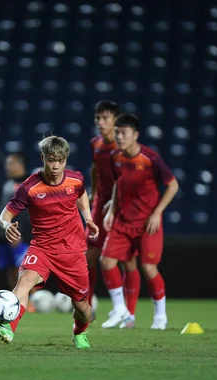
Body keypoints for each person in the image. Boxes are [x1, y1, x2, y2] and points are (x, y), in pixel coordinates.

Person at [0, 135, 99, 349]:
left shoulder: (76, 180)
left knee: (83, 309)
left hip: (72, 252)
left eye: (60, 161)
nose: (56, 166)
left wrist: (89, 218)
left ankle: (79, 331)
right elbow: (4, 215)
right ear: (43, 158)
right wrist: (8, 226)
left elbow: (82, 195)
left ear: (66, 160)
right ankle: (8, 328)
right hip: (42, 248)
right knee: (24, 283)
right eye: (51, 160)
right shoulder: (29, 187)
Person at [100, 113, 179, 330]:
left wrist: (157, 213)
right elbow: (119, 183)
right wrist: (111, 211)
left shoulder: (150, 158)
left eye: (124, 133)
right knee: (106, 261)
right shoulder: (115, 156)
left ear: (135, 135)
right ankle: (120, 310)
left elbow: (173, 185)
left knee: (148, 267)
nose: (119, 137)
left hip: (147, 223)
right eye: (117, 133)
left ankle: (160, 317)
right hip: (123, 221)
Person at [87, 100, 139, 328]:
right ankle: (86, 309)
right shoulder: (95, 143)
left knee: (128, 262)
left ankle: (129, 314)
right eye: (98, 118)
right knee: (88, 256)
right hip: (100, 206)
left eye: (105, 118)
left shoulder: (124, 148)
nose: (100, 123)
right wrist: (94, 193)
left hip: (122, 208)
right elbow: (95, 169)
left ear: (116, 120)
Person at [0, 152, 36, 312]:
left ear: (20, 165)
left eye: (10, 164)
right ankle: (16, 300)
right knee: (10, 269)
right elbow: (1, 211)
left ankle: (29, 301)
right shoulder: (7, 185)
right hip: (4, 235)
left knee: (23, 270)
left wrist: (20, 234)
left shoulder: (29, 184)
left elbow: (26, 213)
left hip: (19, 236)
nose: (6, 167)